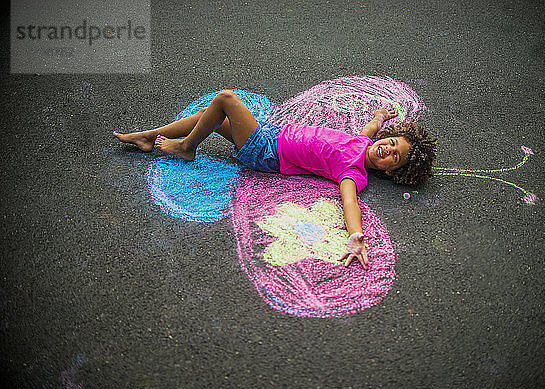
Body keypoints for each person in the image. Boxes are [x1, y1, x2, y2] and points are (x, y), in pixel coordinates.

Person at [114, 90, 437, 269]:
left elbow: (349, 201)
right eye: (392, 143)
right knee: (207, 117)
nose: (387, 150)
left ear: (392, 171)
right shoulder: (364, 143)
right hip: (272, 134)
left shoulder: (353, 173)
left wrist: (356, 236)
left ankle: (186, 147)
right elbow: (369, 131)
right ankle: (147, 137)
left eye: (394, 157)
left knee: (226, 100)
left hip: (266, 151)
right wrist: (380, 117)